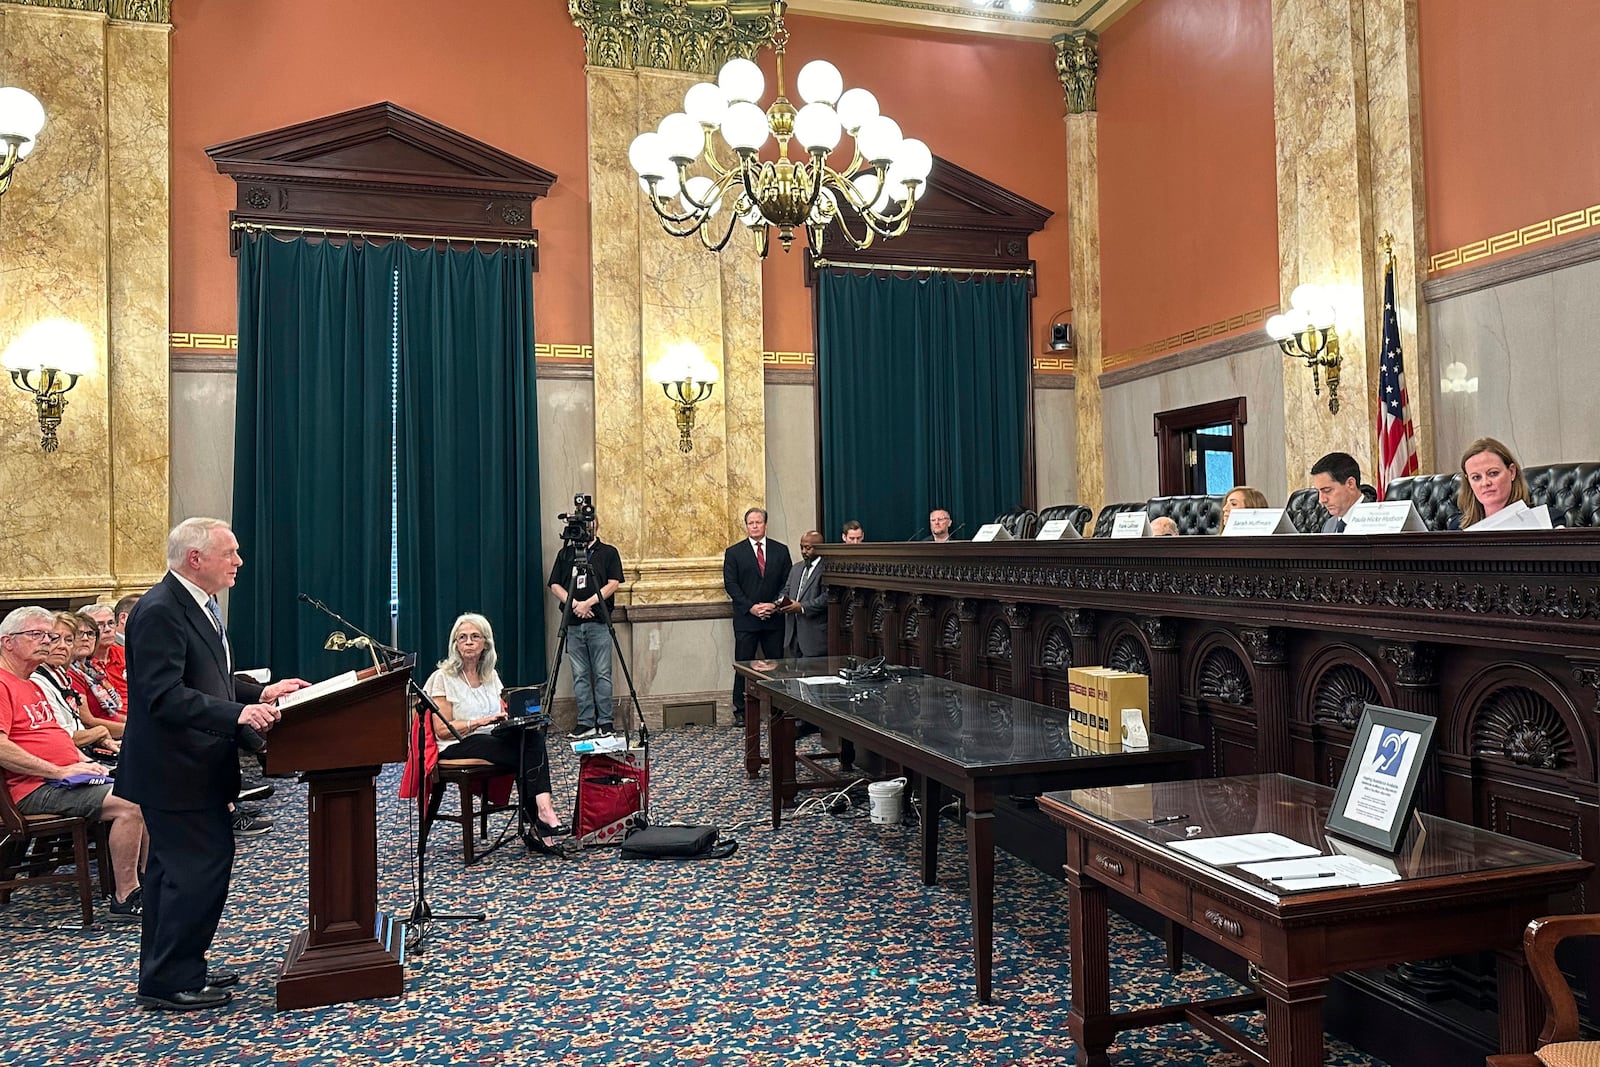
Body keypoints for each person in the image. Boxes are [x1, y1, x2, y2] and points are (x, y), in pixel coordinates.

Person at [115, 517, 308, 1012]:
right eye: (231, 553)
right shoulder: (160, 609)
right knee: (192, 874)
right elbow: (163, 696)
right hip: (174, 769)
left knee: (175, 874)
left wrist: (259, 693)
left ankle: (175, 966)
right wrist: (238, 712)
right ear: (195, 559)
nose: (240, 561)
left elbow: (209, 681)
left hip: (196, 765)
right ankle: (169, 980)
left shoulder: (200, 604)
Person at [0, 606, 146, 922]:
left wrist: (85, 763)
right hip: (33, 787)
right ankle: (126, 895)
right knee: (130, 803)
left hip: (64, 776)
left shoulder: (32, 683)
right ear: (8, 642)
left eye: (49, 636)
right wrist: (60, 771)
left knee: (146, 785)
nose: (48, 642)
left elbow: (57, 737)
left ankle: (149, 881)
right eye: (36, 635)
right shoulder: (2, 684)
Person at [422, 613, 570, 855]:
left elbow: (501, 712)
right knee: (523, 752)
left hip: (490, 737)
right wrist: (479, 721)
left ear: (485, 644)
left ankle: (542, 812)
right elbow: (442, 729)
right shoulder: (442, 678)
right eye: (462, 638)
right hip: (456, 744)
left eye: (474, 637)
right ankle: (538, 819)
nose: (468, 642)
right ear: (455, 644)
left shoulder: (490, 676)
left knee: (532, 738)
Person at [547, 515, 625, 739]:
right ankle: (585, 722)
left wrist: (589, 603)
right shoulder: (566, 554)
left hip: (598, 621)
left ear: (596, 526)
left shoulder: (608, 552)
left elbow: (614, 583)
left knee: (602, 674)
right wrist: (574, 605)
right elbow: (555, 585)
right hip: (573, 623)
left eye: (588, 525)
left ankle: (606, 722)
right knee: (580, 675)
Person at [724, 507, 791, 726]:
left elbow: (787, 583)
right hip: (746, 619)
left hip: (774, 618)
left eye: (758, 522)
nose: (754, 526)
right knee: (744, 665)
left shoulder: (781, 551)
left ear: (765, 524)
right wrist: (752, 607)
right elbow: (731, 585)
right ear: (746, 526)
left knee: (776, 665)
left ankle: (777, 707)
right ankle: (740, 711)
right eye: (750, 523)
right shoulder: (734, 552)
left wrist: (773, 605)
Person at [33, 611, 118, 759]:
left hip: (86, 749)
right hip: (62, 761)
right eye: (55, 639)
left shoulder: (60, 674)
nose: (62, 646)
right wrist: (100, 732)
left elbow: (75, 724)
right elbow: (62, 737)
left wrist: (101, 739)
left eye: (68, 640)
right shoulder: (35, 679)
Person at [1452, 436, 1532, 529]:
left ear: (1511, 472)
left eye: (1493, 473)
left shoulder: (1547, 520)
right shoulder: (1457, 527)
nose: (1485, 483)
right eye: (1476, 477)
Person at [781, 530, 828, 657]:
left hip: (813, 636)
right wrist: (779, 602)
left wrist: (801, 607)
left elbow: (826, 598)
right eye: (801, 547)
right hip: (792, 636)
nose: (803, 552)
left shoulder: (827, 569)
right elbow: (787, 590)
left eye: (808, 548)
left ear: (819, 548)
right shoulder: (796, 568)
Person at [1310, 452, 1364, 533]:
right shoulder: (1329, 525)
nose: (1321, 500)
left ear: (1350, 484)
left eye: (1327, 491)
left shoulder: (1378, 520)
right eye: (1318, 492)